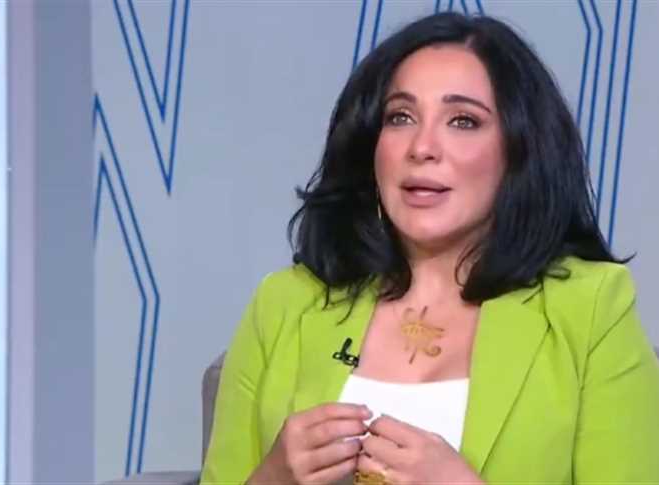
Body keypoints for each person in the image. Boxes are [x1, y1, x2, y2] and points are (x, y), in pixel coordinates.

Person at [200, 12, 659, 485]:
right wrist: (272, 478)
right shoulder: (284, 304)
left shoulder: (590, 309)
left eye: (463, 121)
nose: (422, 147)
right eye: (400, 117)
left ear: (520, 149)